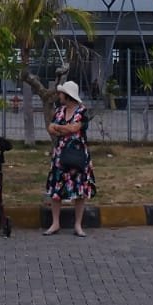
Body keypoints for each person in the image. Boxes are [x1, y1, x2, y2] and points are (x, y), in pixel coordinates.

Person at [44, 80, 94, 236]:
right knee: (56, 187)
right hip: (60, 154)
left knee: (79, 189)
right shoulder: (59, 111)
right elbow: (51, 128)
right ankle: (55, 223)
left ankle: (78, 225)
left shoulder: (82, 112)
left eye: (61, 93)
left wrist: (61, 128)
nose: (59, 96)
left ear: (67, 95)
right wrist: (64, 129)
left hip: (78, 154)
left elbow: (75, 128)